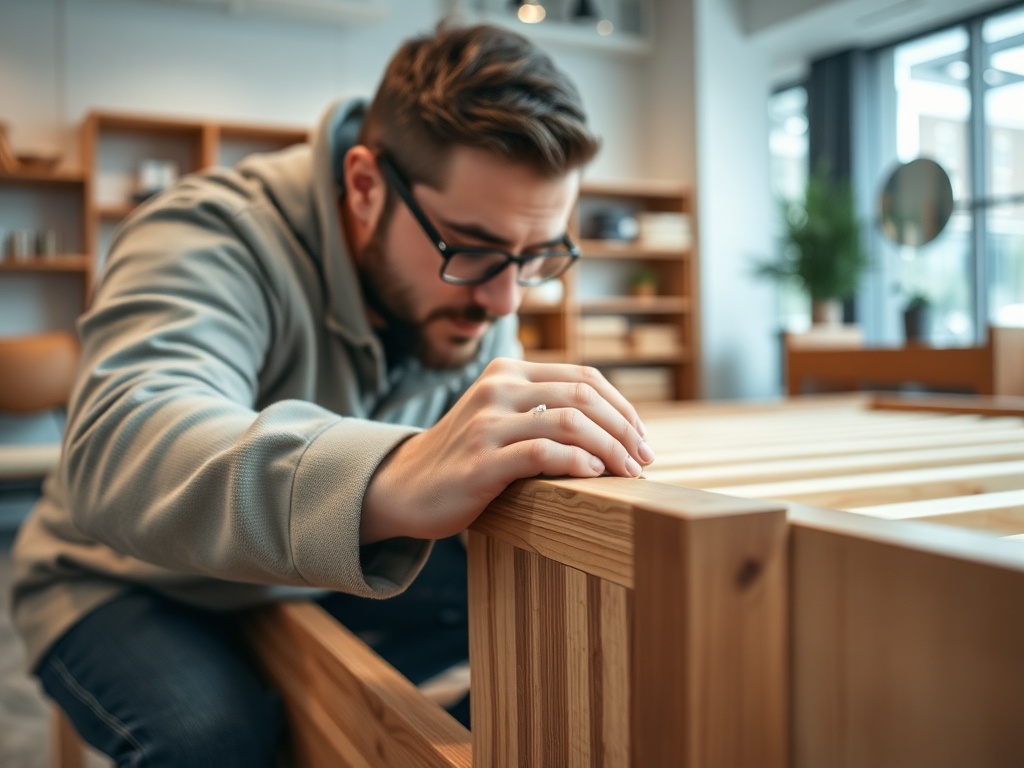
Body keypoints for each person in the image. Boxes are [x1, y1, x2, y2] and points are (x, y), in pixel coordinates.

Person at [10, 21, 654, 766]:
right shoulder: (209, 230)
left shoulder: (480, 290)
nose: (505, 301)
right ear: (365, 186)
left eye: (536, 256)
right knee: (216, 743)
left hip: (309, 570)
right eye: (472, 249)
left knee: (572, 631)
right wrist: (395, 472)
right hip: (126, 580)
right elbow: (122, 445)